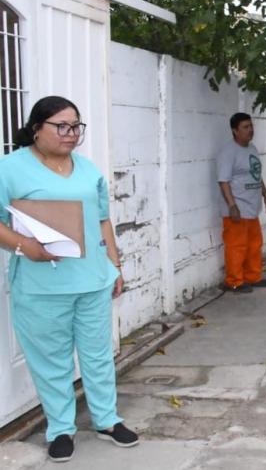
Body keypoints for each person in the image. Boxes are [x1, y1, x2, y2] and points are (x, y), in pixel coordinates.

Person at [0, 96, 138, 462]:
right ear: (36, 129)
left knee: (98, 356)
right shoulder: (9, 169)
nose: (71, 133)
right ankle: (61, 428)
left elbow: (102, 220)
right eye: (62, 126)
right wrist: (24, 246)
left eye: (76, 126)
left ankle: (107, 420)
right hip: (41, 287)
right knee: (51, 360)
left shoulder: (88, 170)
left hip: (92, 280)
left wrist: (115, 266)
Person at [216, 113, 266, 293]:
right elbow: (223, 181)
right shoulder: (228, 152)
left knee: (254, 245)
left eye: (251, 126)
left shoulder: (252, 148)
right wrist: (232, 206)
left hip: (252, 208)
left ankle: (253, 277)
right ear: (235, 130)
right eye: (245, 127)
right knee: (236, 246)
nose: (250, 130)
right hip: (237, 209)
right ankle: (234, 281)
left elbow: (256, 175)